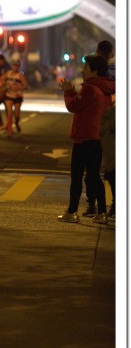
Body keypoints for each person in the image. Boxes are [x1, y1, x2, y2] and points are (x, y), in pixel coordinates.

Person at [57, 54, 115, 224]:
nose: (83, 71)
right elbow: (87, 105)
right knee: (94, 176)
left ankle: (72, 211)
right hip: (97, 138)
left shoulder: (90, 88)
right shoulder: (105, 88)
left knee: (77, 176)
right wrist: (74, 93)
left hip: (84, 138)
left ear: (94, 71)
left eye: (86, 68)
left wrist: (68, 91)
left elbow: (73, 106)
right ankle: (102, 212)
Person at [83, 40, 116, 216]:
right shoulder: (116, 71)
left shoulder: (95, 76)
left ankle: (92, 204)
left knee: (91, 169)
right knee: (113, 168)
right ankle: (115, 205)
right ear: (111, 53)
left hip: (95, 126)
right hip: (113, 124)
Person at [3, 59, 28, 136]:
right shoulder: (8, 74)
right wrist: (4, 86)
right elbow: (1, 80)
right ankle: (10, 131)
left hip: (17, 96)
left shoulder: (20, 75)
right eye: (14, 65)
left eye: (16, 66)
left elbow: (25, 86)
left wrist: (18, 87)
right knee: (9, 113)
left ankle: (16, 122)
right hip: (8, 95)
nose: (15, 67)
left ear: (19, 67)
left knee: (17, 115)